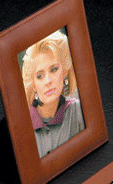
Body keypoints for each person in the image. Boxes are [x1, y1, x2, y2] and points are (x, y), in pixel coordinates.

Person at [21, 30, 85, 158]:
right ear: (33, 84)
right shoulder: (22, 126)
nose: (48, 81)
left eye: (54, 69)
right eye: (40, 76)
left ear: (65, 70)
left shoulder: (78, 110)